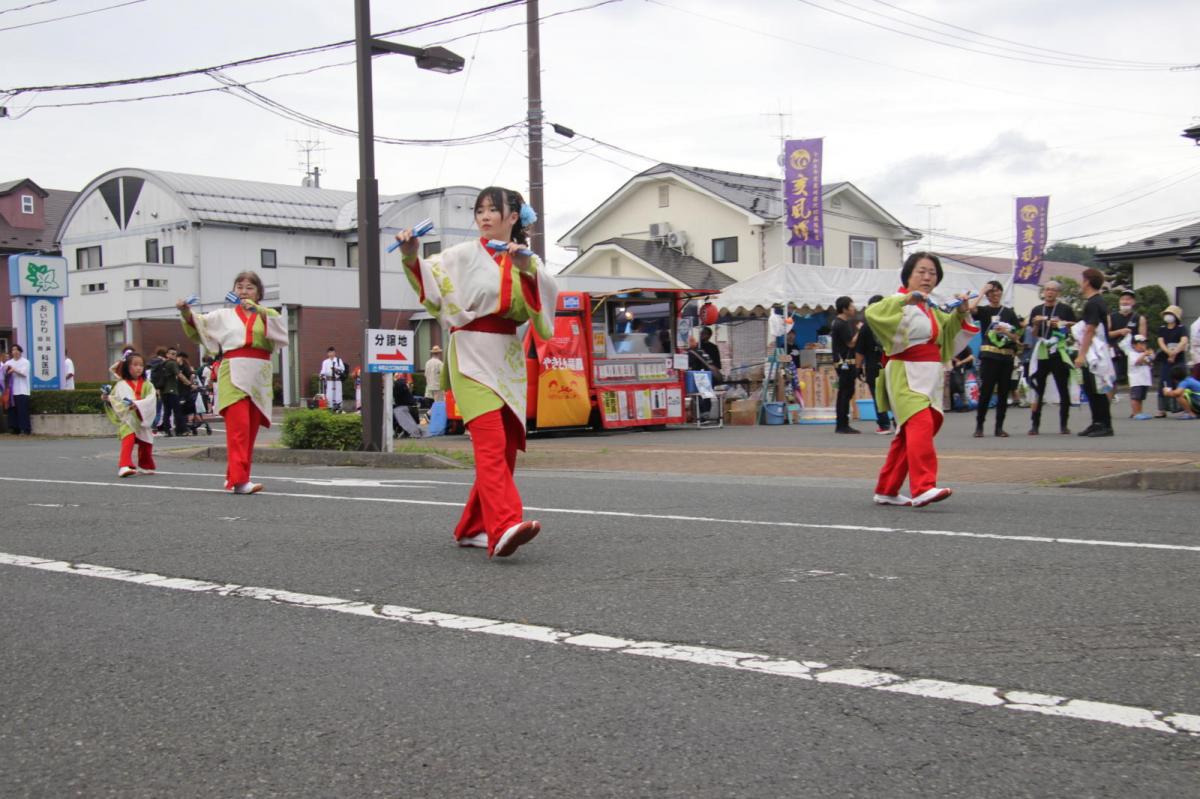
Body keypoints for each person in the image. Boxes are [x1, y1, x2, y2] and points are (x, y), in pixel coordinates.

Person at [396, 185, 557, 558]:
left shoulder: (527, 259)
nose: (484, 217)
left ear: (513, 218)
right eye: (479, 210)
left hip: (508, 357)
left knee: (506, 446)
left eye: (492, 210)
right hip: (468, 350)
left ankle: (472, 528)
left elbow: (544, 300)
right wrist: (410, 256)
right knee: (489, 441)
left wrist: (526, 269)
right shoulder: (459, 255)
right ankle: (504, 526)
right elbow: (430, 284)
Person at [866, 252, 979, 508]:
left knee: (910, 433)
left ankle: (887, 489)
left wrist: (961, 312)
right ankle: (923, 487)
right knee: (921, 424)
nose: (927, 277)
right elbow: (873, 313)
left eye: (933, 273)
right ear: (908, 274)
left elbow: (948, 334)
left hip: (930, 374)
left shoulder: (932, 307)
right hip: (904, 371)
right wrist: (907, 299)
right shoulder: (896, 300)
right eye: (922, 271)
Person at [176, 271, 286, 494]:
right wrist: (185, 310)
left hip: (259, 376)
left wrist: (259, 312)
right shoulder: (223, 315)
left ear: (258, 293)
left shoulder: (269, 314)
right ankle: (239, 481)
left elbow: (280, 334)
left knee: (251, 430)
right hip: (233, 371)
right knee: (239, 429)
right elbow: (199, 323)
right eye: (240, 287)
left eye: (249, 287)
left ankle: (233, 476)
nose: (244, 291)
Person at [1027, 280, 1076, 435]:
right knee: (1038, 388)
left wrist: (1061, 324)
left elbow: (1075, 326)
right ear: (1044, 292)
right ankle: (1035, 424)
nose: (1049, 292)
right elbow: (1034, 334)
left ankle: (1064, 424)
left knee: (1063, 387)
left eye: (1053, 290)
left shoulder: (1065, 309)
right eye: (1047, 289)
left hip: (1059, 350)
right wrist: (1035, 324)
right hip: (1042, 350)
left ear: (1058, 293)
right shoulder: (1037, 309)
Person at [972, 280, 1021, 437]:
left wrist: (1005, 332)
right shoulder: (984, 311)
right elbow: (971, 309)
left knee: (1003, 392)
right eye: (991, 292)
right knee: (986, 391)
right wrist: (981, 291)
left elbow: (1016, 337)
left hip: (1006, 357)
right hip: (989, 356)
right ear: (987, 295)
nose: (995, 294)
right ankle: (979, 426)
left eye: (997, 291)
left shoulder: (1009, 312)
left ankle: (999, 427)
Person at [1072, 268, 1116, 437]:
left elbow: (1090, 329)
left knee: (1096, 387)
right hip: (1097, 348)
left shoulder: (1093, 303)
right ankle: (1097, 422)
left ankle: (1105, 424)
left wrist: (1081, 354)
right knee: (1091, 388)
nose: (1080, 283)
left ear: (1087, 282)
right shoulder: (1098, 301)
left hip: (1093, 351)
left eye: (1082, 280)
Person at [102, 351, 157, 478]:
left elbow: (151, 398)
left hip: (141, 415)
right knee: (129, 438)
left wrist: (138, 405)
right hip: (128, 417)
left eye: (141, 365)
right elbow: (114, 399)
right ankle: (124, 465)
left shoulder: (147, 384)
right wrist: (107, 398)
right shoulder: (121, 384)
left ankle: (145, 465)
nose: (139, 368)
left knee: (146, 443)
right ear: (127, 367)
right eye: (135, 365)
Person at [854, 295, 893, 434]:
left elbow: (859, 350)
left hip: (873, 366)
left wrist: (858, 368)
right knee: (894, 393)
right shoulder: (891, 322)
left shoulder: (866, 327)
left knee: (878, 396)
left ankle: (884, 425)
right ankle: (900, 422)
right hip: (892, 364)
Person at [831, 295, 861, 434]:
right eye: (851, 306)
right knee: (845, 392)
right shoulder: (841, 324)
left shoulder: (839, 323)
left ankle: (842, 422)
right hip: (845, 362)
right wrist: (860, 331)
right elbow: (851, 343)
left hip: (842, 361)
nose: (853, 308)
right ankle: (842, 424)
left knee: (845, 391)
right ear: (844, 309)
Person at [1155, 305, 1189, 417]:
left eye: (1170, 314)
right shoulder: (1162, 328)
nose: (1168, 316)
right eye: (1166, 314)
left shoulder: (1181, 328)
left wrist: (1174, 352)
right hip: (1166, 360)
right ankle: (1162, 409)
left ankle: (1183, 408)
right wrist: (1169, 353)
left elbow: (1184, 341)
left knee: (1180, 383)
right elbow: (1160, 342)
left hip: (1179, 360)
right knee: (1164, 382)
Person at [1107, 290, 1145, 387]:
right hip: (1115, 354)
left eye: (1128, 299)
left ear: (1133, 302)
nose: (1125, 302)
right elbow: (1106, 334)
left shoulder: (1139, 318)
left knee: (1134, 384)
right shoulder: (1111, 317)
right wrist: (1120, 331)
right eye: (1122, 299)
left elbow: (1143, 339)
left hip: (1132, 355)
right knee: (1112, 382)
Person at [5, 345, 32, 435]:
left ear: (20, 351)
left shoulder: (25, 362)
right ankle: (13, 429)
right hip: (11, 391)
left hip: (22, 390)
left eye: (17, 350)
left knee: (22, 411)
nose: (15, 351)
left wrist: (14, 370)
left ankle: (25, 429)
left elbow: (24, 374)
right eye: (13, 350)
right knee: (12, 411)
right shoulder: (8, 362)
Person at [1127, 335, 1154, 420]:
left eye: (1144, 344)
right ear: (1133, 345)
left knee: (1141, 398)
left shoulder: (1144, 354)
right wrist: (1144, 354)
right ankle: (1135, 413)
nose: (1143, 346)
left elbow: (1150, 364)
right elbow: (1137, 362)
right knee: (1136, 397)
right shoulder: (1132, 354)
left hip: (1145, 379)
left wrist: (1150, 356)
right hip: (1136, 380)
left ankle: (1140, 412)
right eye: (1140, 344)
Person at [948, 346, 975, 411]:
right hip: (956, 369)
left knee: (960, 385)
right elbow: (948, 356)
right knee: (952, 385)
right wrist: (954, 359)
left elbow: (971, 357)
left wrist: (961, 362)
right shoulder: (952, 348)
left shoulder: (966, 347)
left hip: (966, 369)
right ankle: (951, 405)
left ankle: (966, 405)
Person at [320, 347, 346, 411]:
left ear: (334, 353)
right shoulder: (325, 362)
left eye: (332, 352)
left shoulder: (338, 360)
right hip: (329, 380)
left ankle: (338, 408)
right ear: (327, 353)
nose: (331, 354)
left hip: (337, 380)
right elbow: (323, 371)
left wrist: (336, 369)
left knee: (338, 394)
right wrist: (322, 375)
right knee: (329, 394)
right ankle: (330, 407)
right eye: (329, 352)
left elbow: (342, 369)